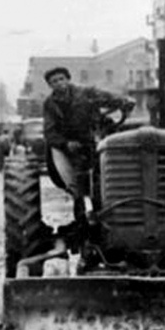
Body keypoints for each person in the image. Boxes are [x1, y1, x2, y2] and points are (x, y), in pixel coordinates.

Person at [42, 66, 135, 223]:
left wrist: (123, 102)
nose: (59, 83)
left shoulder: (85, 93)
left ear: (68, 79)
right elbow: (50, 132)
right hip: (73, 146)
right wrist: (65, 144)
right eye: (54, 81)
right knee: (79, 181)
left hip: (94, 138)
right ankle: (81, 218)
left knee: (107, 171)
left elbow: (107, 98)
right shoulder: (50, 104)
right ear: (50, 85)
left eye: (61, 79)